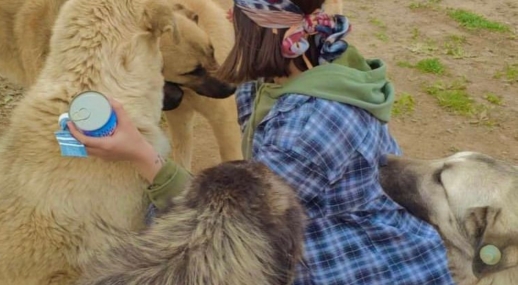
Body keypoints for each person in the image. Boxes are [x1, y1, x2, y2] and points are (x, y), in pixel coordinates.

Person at [68, 0, 455, 284]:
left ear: (285, 35)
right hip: (314, 219)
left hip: (363, 264)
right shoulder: (307, 64)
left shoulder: (308, 129)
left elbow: (228, 225)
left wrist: (139, 154)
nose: (229, 20)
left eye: (240, 18)